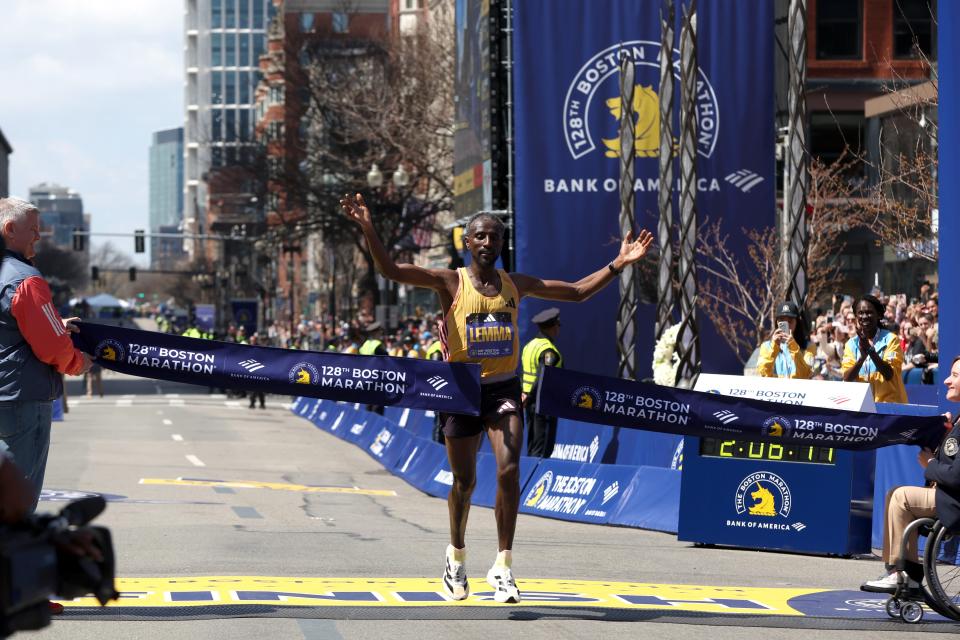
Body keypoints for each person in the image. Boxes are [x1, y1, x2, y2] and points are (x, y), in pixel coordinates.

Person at [340, 193, 653, 604]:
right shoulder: (450, 281)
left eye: (495, 237)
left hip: (503, 388)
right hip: (460, 389)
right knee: (464, 482)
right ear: (468, 243)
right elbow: (392, 270)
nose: (488, 242)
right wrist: (368, 228)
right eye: (480, 236)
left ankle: (503, 566)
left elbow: (576, 292)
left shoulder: (515, 285)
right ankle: (456, 554)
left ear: (501, 244)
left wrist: (618, 264)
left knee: (508, 469)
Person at [0, 198, 93, 512]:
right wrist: (79, 362)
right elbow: (52, 345)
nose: (38, 237)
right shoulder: (24, 279)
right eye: (34, 230)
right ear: (10, 229)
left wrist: (55, 324)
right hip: (19, 401)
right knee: (16, 504)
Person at [861, 356, 960, 593]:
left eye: (955, 376)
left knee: (901, 497)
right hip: (948, 496)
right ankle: (910, 575)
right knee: (895, 492)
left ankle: (900, 572)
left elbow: (957, 477)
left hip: (954, 500)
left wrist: (930, 464)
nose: (946, 380)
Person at [842, 294, 907, 403]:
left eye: (869, 312)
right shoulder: (851, 344)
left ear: (879, 315)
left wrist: (870, 350)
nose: (864, 316)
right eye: (860, 313)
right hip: (864, 408)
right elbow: (847, 378)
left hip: (890, 408)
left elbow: (889, 374)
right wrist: (861, 359)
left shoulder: (891, 339)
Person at [521, 307, 562, 458]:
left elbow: (525, 375)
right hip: (543, 404)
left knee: (532, 446)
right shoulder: (548, 350)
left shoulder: (529, 346)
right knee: (542, 450)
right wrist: (531, 396)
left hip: (530, 403)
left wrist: (525, 395)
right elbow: (542, 377)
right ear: (553, 327)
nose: (558, 330)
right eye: (557, 326)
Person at [756, 301, 812, 379]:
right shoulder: (766, 346)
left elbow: (805, 374)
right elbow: (763, 373)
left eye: (790, 321)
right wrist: (774, 347)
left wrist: (793, 346)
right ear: (777, 322)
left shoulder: (809, 346)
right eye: (782, 320)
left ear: (797, 323)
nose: (787, 325)